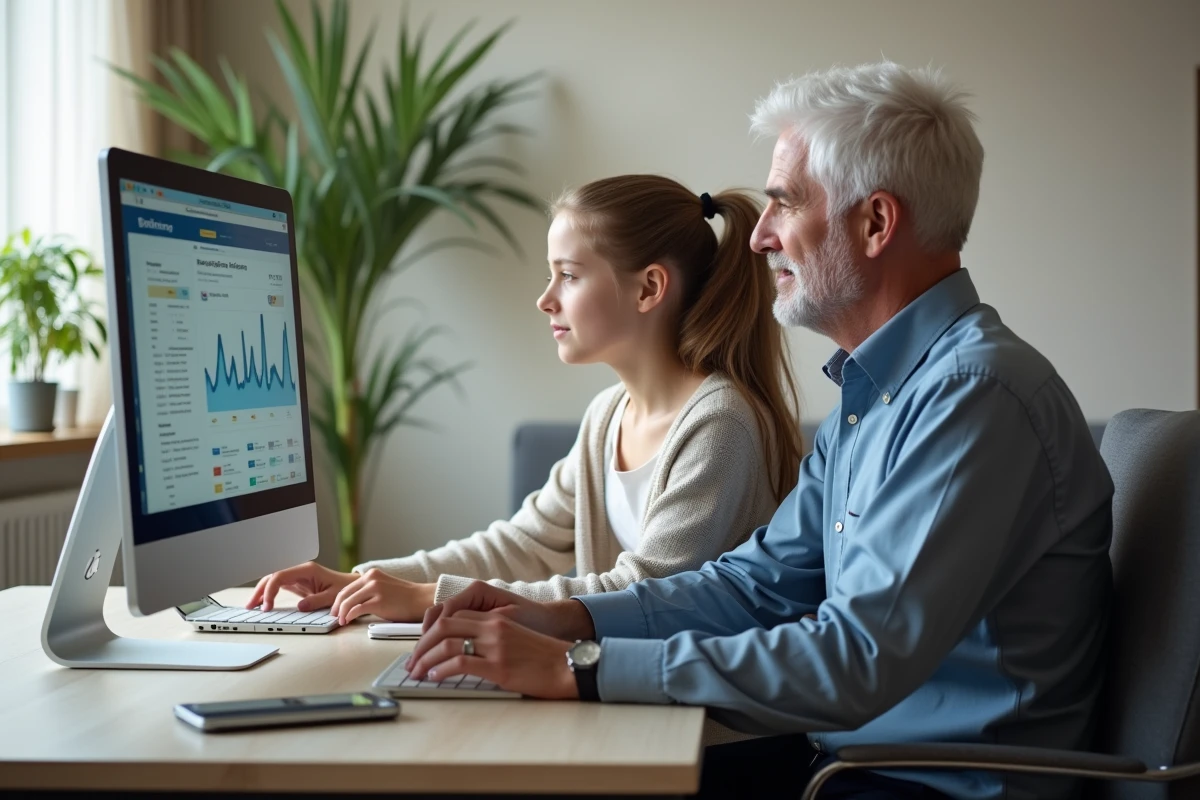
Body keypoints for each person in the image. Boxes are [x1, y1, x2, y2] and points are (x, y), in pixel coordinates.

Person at [405, 62, 1114, 800]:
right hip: (845, 764)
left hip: (924, 786)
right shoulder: (874, 396)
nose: (759, 237)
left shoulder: (971, 398)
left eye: (785, 202)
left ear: (876, 223)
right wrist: (568, 618)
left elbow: (856, 659)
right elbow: (756, 585)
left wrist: (583, 665)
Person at [249, 175, 805, 626]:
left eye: (568, 276)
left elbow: (646, 591)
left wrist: (427, 599)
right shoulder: (607, 415)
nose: (545, 299)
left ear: (648, 288)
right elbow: (521, 544)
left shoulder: (720, 425)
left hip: (704, 726)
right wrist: (365, 580)